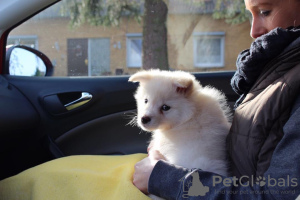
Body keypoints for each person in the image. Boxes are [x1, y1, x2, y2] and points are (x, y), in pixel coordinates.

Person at [133, 0, 300, 199]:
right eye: (250, 15)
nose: (253, 31)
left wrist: (163, 178)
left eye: (265, 11)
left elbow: (276, 196)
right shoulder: (278, 69)